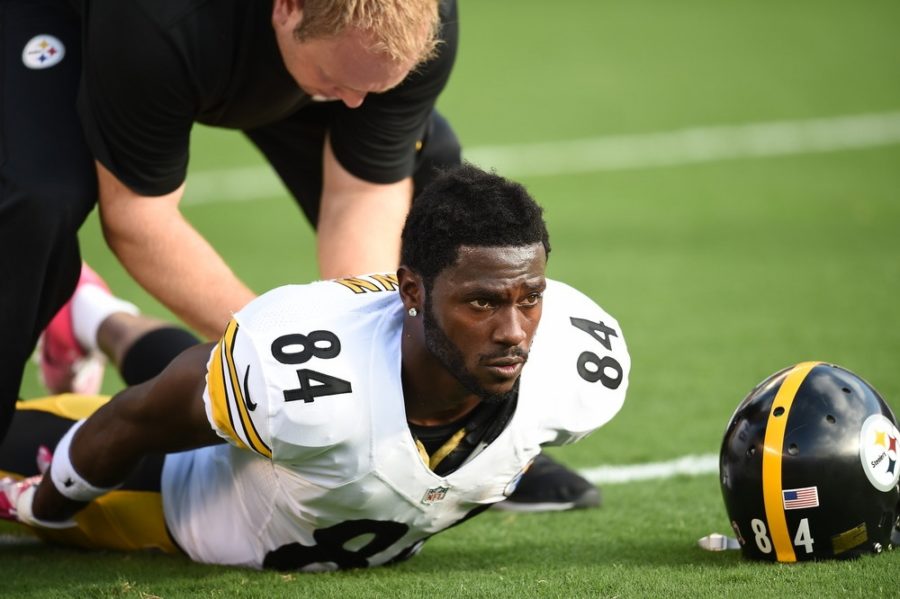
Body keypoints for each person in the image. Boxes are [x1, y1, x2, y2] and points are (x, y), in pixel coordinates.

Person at [3, 0, 593, 511]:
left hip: (293, 54)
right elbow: (137, 219)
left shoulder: (417, 22)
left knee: (437, 200)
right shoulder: (162, 22)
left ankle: (463, 432)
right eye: (346, 79)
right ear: (287, 8)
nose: (358, 105)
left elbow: (362, 193)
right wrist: (277, 363)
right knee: (36, 196)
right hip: (84, 21)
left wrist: (378, 379)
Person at [0, 165, 631, 570]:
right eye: (482, 303)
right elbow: (143, 416)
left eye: (530, 297)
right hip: (170, 489)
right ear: (411, 290)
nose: (514, 330)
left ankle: (88, 310)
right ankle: (82, 309)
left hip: (276, 449)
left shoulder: (573, 368)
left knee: (233, 394)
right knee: (200, 392)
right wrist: (50, 505)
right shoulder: (307, 387)